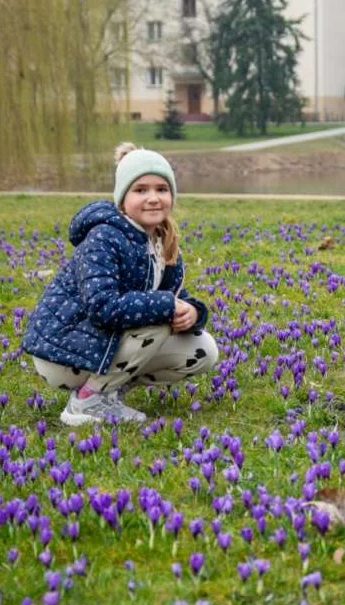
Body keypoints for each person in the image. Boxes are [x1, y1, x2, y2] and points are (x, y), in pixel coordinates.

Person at [22, 143, 218, 425]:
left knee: (203, 351)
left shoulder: (162, 240)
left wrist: (193, 312)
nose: (153, 198)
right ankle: (87, 402)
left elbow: (175, 297)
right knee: (159, 316)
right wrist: (166, 306)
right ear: (122, 198)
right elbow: (102, 307)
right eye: (141, 190)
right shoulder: (104, 238)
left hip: (102, 348)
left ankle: (107, 391)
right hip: (66, 354)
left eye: (161, 189)